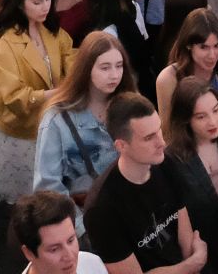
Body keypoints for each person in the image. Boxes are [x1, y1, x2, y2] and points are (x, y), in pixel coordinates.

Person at [84, 93, 206, 274]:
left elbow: (184, 235)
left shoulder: (166, 163)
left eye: (159, 130)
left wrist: (192, 264)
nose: (162, 143)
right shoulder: (102, 208)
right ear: (121, 146)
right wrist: (191, 265)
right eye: (149, 138)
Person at [0, 0, 75, 204]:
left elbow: (72, 58)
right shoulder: (2, 43)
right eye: (37, 1)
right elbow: (15, 97)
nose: (45, 6)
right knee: (27, 203)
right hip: (22, 133)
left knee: (53, 198)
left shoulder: (51, 31)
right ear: (19, 4)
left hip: (52, 125)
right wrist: (59, 93)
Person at [34, 30, 135, 208]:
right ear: (86, 68)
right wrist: (81, 228)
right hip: (85, 218)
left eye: (119, 66)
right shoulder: (57, 119)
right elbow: (48, 186)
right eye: (105, 67)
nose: (114, 75)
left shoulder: (131, 106)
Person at [165, 76, 218, 274]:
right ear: (185, 119)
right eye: (201, 116)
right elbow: (175, 226)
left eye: (215, 110)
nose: (213, 121)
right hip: (200, 262)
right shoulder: (171, 159)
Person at [12, 191, 108, 274]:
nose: (70, 256)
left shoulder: (92, 264)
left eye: (70, 241)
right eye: (54, 249)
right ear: (29, 253)